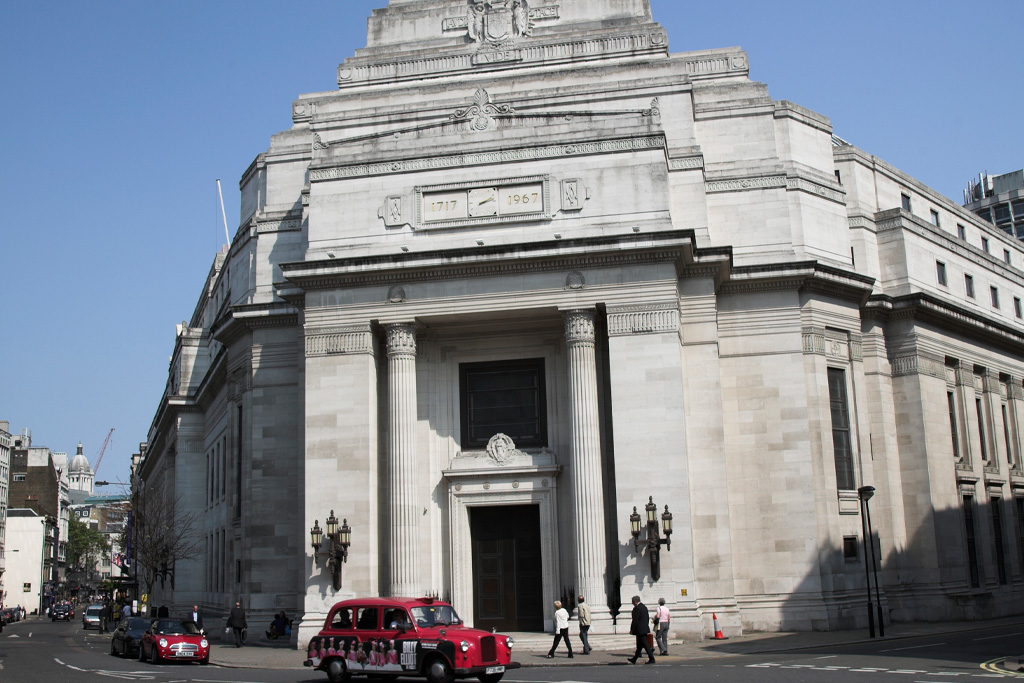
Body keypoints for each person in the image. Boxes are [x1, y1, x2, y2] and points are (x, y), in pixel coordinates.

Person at [627, 595, 655, 665]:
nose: (632, 603)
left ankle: (652, 658)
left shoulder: (637, 608)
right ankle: (634, 659)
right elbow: (647, 618)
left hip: (639, 629)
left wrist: (632, 629)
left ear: (635, 601)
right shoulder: (644, 607)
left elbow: (635, 620)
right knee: (639, 645)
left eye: (632, 602)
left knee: (645, 644)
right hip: (644, 628)